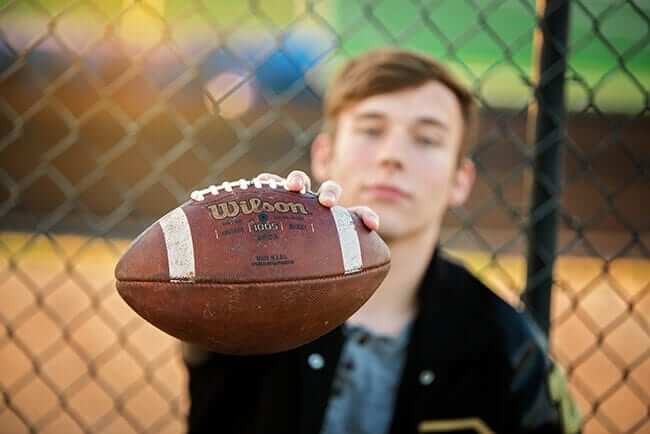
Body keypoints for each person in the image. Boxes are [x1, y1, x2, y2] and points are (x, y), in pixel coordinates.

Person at [182, 48, 581, 434]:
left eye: (426, 139)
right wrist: (242, 250)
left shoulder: (505, 344)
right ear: (323, 156)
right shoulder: (255, 302)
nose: (393, 156)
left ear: (460, 180)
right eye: (371, 130)